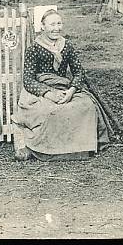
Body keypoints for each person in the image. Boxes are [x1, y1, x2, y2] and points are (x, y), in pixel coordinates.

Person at [12, 9, 112, 161]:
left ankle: (79, 149)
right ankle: (42, 150)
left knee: (87, 106)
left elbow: (79, 72)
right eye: (52, 24)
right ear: (43, 26)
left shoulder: (66, 46)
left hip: (64, 88)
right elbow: (28, 79)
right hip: (40, 90)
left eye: (59, 23)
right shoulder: (34, 48)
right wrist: (48, 94)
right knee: (49, 111)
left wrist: (71, 91)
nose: (56, 28)